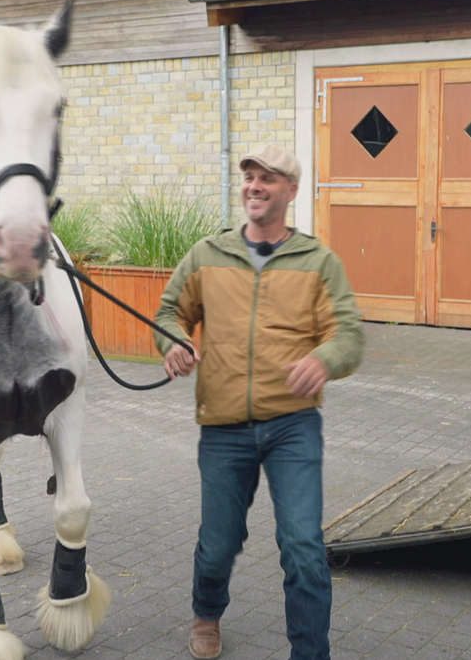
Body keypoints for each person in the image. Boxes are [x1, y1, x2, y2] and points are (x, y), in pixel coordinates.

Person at [155, 143, 364, 660]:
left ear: (290, 190)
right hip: (224, 426)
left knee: (304, 547)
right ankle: (207, 613)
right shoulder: (208, 254)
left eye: (268, 178)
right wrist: (173, 342)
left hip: (294, 424)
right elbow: (168, 311)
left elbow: (349, 335)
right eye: (249, 175)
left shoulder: (319, 261)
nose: (254, 185)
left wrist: (326, 359)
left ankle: (310, 653)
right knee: (218, 545)